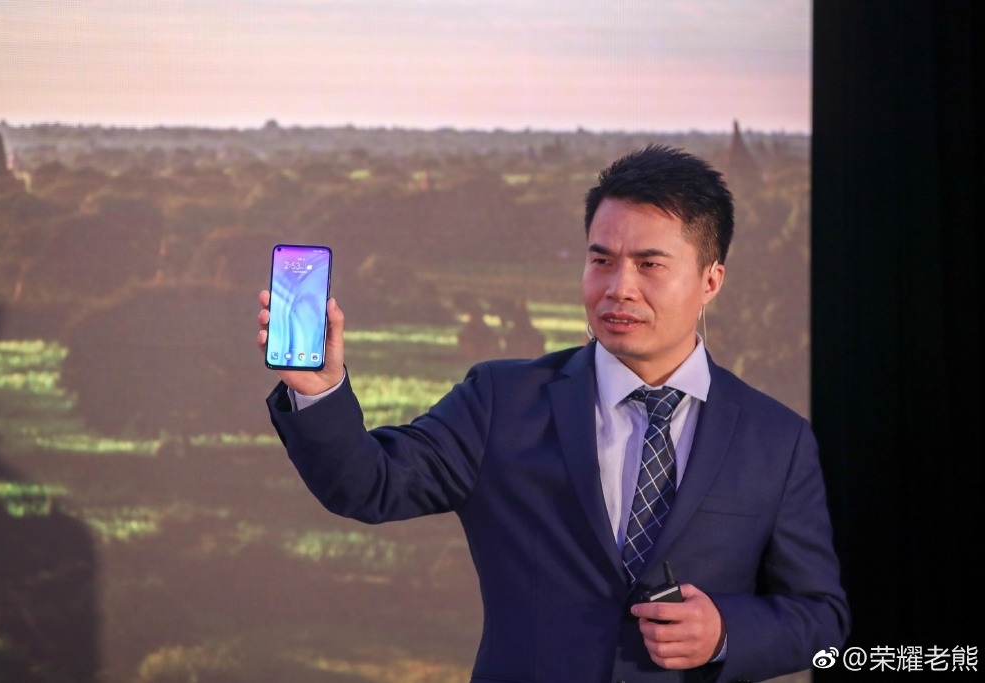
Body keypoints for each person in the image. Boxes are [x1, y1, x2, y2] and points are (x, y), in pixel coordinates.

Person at [257, 144, 850, 682]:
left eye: (650, 264)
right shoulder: (501, 401)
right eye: (602, 260)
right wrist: (321, 391)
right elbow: (369, 484)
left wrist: (724, 633)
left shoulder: (777, 440)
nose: (619, 287)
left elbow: (822, 620)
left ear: (710, 280)